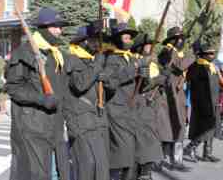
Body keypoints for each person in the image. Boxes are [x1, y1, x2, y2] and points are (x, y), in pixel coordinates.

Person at [5, 7, 70, 180]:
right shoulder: (24, 52)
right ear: (42, 27)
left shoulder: (56, 55)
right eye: (55, 26)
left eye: (60, 26)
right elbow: (13, 87)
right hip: (32, 127)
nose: (59, 30)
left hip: (54, 125)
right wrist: (41, 99)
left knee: (57, 172)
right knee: (36, 174)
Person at [104, 23, 152, 180]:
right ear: (117, 38)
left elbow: (142, 88)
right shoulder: (111, 58)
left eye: (130, 37)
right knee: (124, 151)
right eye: (125, 36)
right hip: (116, 110)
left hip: (131, 110)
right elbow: (111, 82)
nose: (129, 39)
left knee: (132, 151)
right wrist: (136, 66)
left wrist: (144, 77)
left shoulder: (130, 58)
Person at [64, 21, 110, 180]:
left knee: (101, 168)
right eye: (93, 39)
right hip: (80, 121)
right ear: (83, 41)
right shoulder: (73, 59)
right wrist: (97, 66)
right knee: (86, 166)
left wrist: (106, 79)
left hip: (96, 121)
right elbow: (79, 84)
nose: (97, 43)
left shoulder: (92, 60)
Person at [157, 27, 194, 171]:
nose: (182, 41)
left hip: (178, 95)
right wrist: (192, 54)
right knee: (166, 129)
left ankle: (177, 160)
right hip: (167, 95)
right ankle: (161, 159)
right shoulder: (167, 52)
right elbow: (180, 67)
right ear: (172, 40)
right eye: (180, 38)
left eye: (183, 38)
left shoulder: (179, 53)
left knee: (179, 128)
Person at [130, 33, 164, 174]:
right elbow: (141, 86)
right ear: (139, 47)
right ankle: (143, 173)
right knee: (144, 141)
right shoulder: (135, 61)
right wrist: (156, 81)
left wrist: (162, 79)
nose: (150, 47)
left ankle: (146, 171)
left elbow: (154, 82)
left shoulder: (154, 63)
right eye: (147, 44)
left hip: (152, 105)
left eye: (151, 44)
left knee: (151, 139)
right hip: (139, 105)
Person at [184, 43, 221, 163]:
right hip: (202, 102)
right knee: (203, 128)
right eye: (210, 53)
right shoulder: (196, 66)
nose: (213, 55)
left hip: (213, 101)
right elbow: (191, 82)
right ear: (203, 55)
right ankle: (191, 147)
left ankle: (207, 153)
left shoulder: (212, 66)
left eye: (213, 53)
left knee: (211, 127)